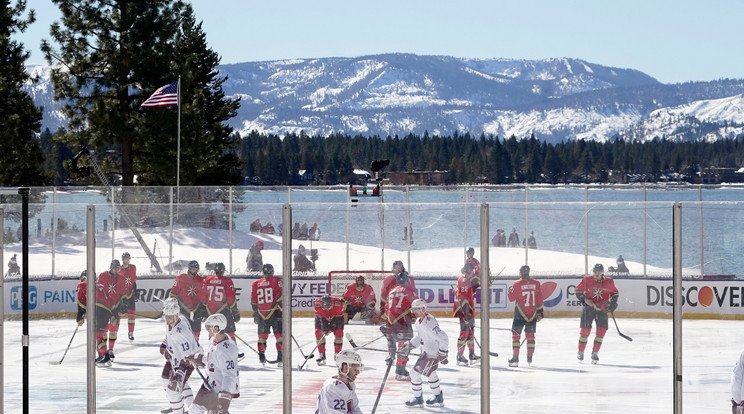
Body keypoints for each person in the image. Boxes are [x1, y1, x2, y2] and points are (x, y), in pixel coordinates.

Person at [187, 314, 240, 414]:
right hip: (211, 383)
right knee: (194, 410)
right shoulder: (213, 341)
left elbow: (229, 376)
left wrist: (224, 400)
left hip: (222, 389)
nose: (208, 332)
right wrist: (197, 359)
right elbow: (213, 362)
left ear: (216, 328)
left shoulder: (227, 350)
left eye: (209, 329)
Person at [159, 297, 204, 414]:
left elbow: (188, 357)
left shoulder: (182, 331)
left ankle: (181, 408)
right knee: (165, 378)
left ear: (176, 315)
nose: (167, 319)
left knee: (174, 388)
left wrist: (180, 371)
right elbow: (170, 335)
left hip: (189, 359)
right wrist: (165, 345)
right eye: (166, 316)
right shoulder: (176, 319)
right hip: (177, 357)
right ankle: (177, 405)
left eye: (170, 317)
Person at [402, 299, 448, 407]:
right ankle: (438, 397)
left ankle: (417, 398)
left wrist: (443, 353)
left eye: (417, 309)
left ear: (423, 308)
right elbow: (419, 338)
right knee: (431, 374)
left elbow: (444, 338)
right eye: (413, 309)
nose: (414, 312)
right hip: (426, 354)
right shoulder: (419, 321)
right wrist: (410, 345)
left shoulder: (429, 323)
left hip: (431, 356)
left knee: (414, 373)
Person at [575, 263, 619, 364]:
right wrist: (585, 300)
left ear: (602, 272)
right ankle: (580, 351)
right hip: (588, 308)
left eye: (599, 272)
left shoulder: (609, 281)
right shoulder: (587, 280)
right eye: (595, 271)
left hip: (602, 309)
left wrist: (613, 304)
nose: (597, 274)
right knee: (585, 331)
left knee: (601, 332)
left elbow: (615, 293)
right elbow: (578, 291)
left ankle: (595, 353)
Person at [382, 270, 418, 381]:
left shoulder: (391, 291)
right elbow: (415, 306)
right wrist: (415, 317)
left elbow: (387, 308)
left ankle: (390, 354)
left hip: (390, 320)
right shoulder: (409, 291)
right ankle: (400, 369)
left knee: (392, 340)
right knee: (404, 345)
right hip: (402, 321)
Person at [507, 265, 544, 367]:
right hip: (532, 314)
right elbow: (539, 299)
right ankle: (529, 357)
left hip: (520, 314)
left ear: (521, 273)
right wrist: (540, 312)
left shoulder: (517, 284)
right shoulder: (536, 284)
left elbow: (511, 298)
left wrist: (510, 290)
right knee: (530, 337)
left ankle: (515, 357)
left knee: (516, 336)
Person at [251, 263, 283, 365]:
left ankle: (261, 355)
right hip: (275, 312)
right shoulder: (277, 281)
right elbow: (282, 295)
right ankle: (281, 357)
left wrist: (256, 313)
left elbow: (253, 301)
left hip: (261, 313)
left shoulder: (256, 284)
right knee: (279, 336)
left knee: (262, 337)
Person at [95, 259, 125, 366]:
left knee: (113, 328)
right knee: (101, 331)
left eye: (118, 268)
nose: (117, 270)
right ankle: (101, 354)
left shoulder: (121, 278)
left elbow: (122, 294)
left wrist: (122, 307)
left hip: (115, 307)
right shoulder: (103, 276)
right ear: (111, 267)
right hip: (104, 307)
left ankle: (110, 350)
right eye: (115, 268)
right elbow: (98, 289)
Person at [315, 350, 364, 414]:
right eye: (355, 369)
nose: (358, 372)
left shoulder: (349, 385)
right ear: (345, 367)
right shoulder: (332, 388)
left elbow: (355, 409)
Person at [201, 263, 240, 342]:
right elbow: (231, 299)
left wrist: (204, 311)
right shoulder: (227, 281)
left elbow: (203, 297)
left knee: (212, 333)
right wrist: (235, 313)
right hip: (223, 311)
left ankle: (212, 350)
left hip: (210, 312)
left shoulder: (208, 280)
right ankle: (232, 350)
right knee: (230, 333)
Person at [453, 262, 480, 365]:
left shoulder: (463, 280)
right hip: (465, 310)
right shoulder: (465, 281)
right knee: (464, 333)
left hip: (468, 310)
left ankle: (472, 355)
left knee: (470, 333)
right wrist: (466, 314)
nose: (473, 272)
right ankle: (459, 356)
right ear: (468, 270)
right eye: (472, 270)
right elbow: (464, 298)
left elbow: (470, 292)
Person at [169, 260, 206, 338]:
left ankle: (195, 345)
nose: (195, 271)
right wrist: (173, 305)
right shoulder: (180, 278)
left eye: (196, 269)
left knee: (196, 330)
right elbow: (173, 292)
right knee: (183, 330)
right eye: (193, 269)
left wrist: (203, 308)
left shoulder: (200, 280)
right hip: (183, 308)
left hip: (197, 309)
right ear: (189, 269)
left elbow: (203, 295)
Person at [313, 295, 346, 366]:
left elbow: (338, 319)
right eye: (325, 307)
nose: (327, 309)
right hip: (322, 317)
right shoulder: (317, 306)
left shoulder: (338, 304)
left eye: (329, 307)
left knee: (339, 333)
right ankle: (321, 354)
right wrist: (324, 329)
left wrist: (331, 328)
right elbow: (321, 319)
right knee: (318, 333)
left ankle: (337, 355)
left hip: (337, 317)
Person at [119, 252, 137, 342]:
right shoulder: (118, 269)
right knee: (118, 315)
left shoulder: (133, 268)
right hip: (121, 297)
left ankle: (131, 333)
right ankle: (113, 333)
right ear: (123, 259)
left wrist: (136, 292)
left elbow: (134, 281)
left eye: (128, 258)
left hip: (130, 295)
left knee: (132, 314)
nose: (126, 260)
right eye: (125, 258)